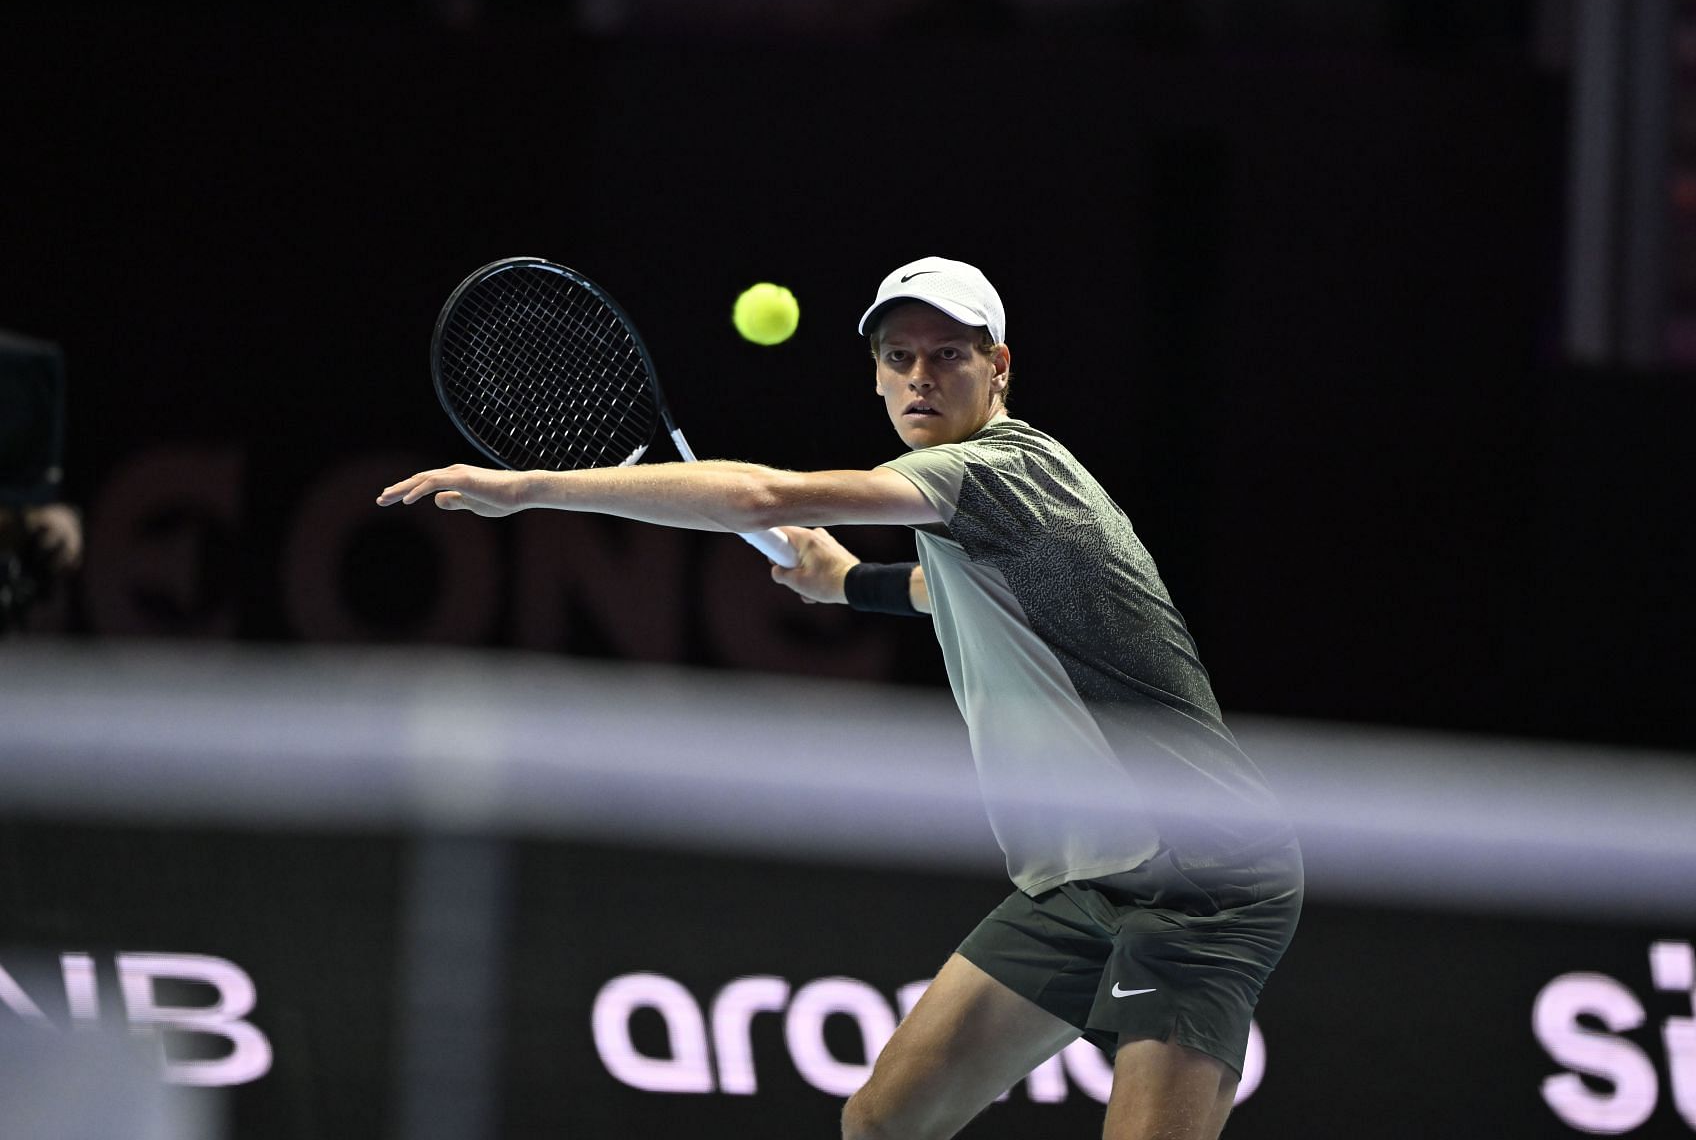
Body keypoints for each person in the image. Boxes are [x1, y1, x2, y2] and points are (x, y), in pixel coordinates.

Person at [379, 256, 1302, 1139]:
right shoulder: (977, 509)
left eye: (949, 354)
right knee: (883, 1119)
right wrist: (851, 581)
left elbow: (757, 497)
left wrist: (528, 489)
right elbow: (955, 592)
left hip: (1201, 879)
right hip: (1084, 878)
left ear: (999, 367)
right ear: (875, 377)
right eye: (898, 358)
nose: (921, 377)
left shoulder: (999, 470)